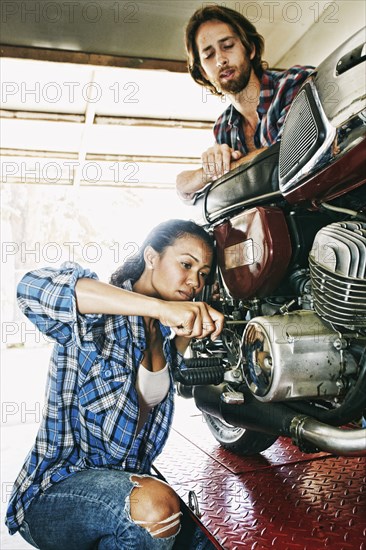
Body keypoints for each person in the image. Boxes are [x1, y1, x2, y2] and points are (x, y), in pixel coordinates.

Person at [5, 219, 224, 550]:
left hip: (124, 484)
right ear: (151, 257)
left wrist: (184, 331)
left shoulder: (166, 336)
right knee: (155, 510)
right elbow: (30, 289)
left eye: (203, 273)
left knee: (208, 539)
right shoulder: (99, 316)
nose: (194, 280)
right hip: (55, 493)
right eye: (186, 264)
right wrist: (161, 308)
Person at [176, 5, 314, 202]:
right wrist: (206, 172)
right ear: (204, 72)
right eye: (208, 55)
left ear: (250, 49)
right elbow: (220, 195)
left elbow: (289, 155)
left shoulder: (294, 83)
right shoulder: (223, 127)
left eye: (228, 46)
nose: (221, 60)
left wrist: (214, 172)